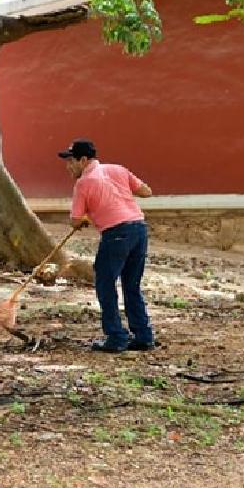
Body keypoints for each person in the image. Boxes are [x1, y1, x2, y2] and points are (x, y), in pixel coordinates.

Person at [59, 138, 156, 353]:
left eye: (71, 161)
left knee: (105, 284)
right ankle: (143, 336)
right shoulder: (117, 169)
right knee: (132, 285)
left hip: (116, 234)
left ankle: (116, 337)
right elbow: (146, 191)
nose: (68, 166)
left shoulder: (83, 183)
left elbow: (75, 221)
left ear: (83, 160)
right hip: (139, 229)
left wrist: (85, 218)